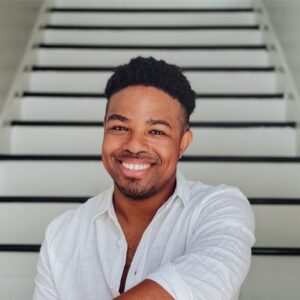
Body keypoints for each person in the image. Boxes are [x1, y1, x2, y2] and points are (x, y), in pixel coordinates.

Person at [33, 57, 255, 300]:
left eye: (156, 131)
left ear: (182, 144)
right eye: (119, 128)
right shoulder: (62, 233)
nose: (134, 145)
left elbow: (203, 287)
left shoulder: (219, 208)